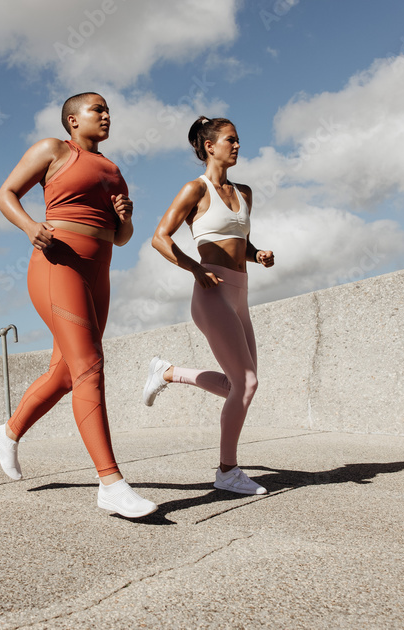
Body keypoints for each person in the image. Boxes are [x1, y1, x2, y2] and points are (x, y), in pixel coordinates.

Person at [0, 92, 157, 518]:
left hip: (98, 273)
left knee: (65, 374)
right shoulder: (54, 150)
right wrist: (29, 226)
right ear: (72, 120)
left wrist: (126, 218)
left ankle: (7, 434)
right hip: (57, 264)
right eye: (96, 109)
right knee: (90, 366)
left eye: (108, 110)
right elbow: (6, 193)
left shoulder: (114, 171)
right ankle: (111, 483)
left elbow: (120, 238)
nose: (106, 114)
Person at [145, 116, 274, 495]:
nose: (237, 145)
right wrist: (194, 269)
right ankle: (227, 471)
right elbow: (160, 238)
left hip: (240, 292)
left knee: (241, 385)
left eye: (238, 140)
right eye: (230, 140)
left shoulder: (245, 193)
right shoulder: (195, 190)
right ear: (209, 147)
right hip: (211, 291)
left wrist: (258, 254)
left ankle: (168, 372)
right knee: (247, 383)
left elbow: (238, 242)